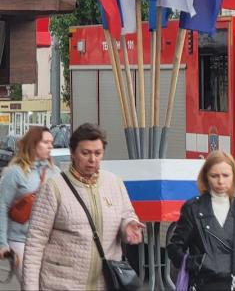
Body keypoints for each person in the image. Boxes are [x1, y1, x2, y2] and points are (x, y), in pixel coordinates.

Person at [21, 123, 144, 290]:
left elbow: (126, 214)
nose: (92, 159)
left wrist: (128, 225)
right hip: (61, 284)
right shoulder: (54, 187)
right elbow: (35, 242)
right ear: (72, 152)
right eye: (85, 153)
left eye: (98, 153)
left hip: (105, 283)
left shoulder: (114, 183)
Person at [167, 150, 235, 290]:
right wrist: (198, 263)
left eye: (225, 175)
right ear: (205, 177)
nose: (220, 181)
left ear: (234, 177)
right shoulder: (193, 208)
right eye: (214, 176)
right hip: (203, 284)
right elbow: (174, 248)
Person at [0, 126, 60, 282]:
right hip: (20, 241)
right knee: (30, 284)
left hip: (48, 242)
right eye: (46, 142)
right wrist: (2, 243)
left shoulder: (55, 172)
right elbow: (2, 207)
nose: (51, 146)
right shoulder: (15, 173)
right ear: (33, 144)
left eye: (51, 142)